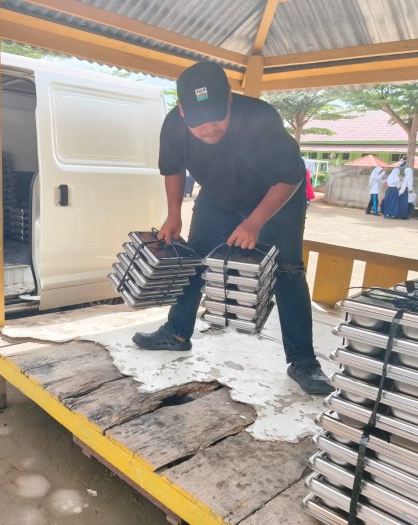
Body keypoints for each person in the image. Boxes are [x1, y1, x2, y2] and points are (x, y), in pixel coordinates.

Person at [131, 62, 332, 395]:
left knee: (288, 270)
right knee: (195, 259)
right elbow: (173, 168)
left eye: (216, 118)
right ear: (182, 110)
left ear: (229, 100)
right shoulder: (173, 125)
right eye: (198, 122)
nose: (208, 129)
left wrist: (254, 222)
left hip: (277, 196)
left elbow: (291, 176)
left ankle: (303, 361)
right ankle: (176, 332)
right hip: (218, 194)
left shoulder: (260, 118)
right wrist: (173, 214)